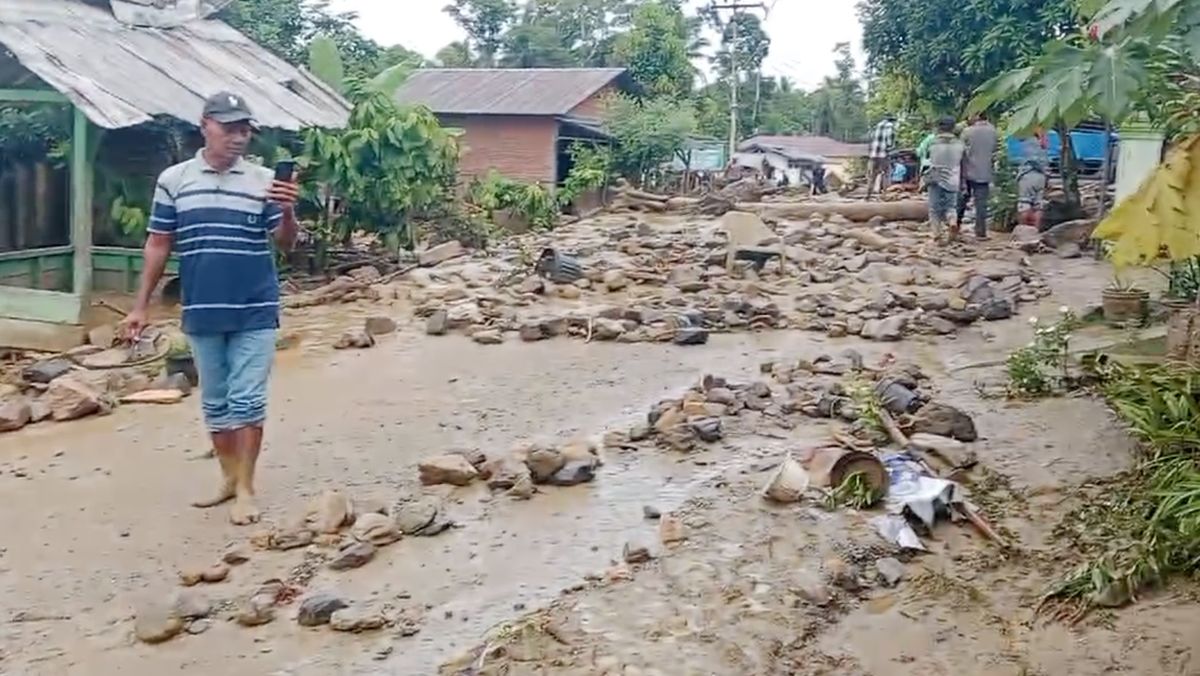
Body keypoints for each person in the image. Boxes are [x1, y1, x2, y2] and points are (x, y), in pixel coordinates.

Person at [121, 92, 300, 525]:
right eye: (229, 128)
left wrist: (288, 209)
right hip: (201, 309)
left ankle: (245, 488)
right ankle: (226, 478)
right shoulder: (175, 180)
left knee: (248, 400)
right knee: (216, 403)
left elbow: (286, 243)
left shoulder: (262, 181)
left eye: (244, 130)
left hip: (255, 307)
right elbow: (159, 243)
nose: (238, 138)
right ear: (205, 125)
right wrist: (139, 307)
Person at [958, 111, 999, 239]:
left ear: (976, 116)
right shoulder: (993, 131)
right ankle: (980, 232)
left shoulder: (967, 131)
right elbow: (995, 151)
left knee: (961, 200)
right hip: (985, 172)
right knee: (981, 204)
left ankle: (955, 225)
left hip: (967, 171)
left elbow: (961, 152)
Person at [925, 116, 966, 244]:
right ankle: (952, 221)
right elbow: (964, 162)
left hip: (935, 176)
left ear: (939, 127)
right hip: (953, 178)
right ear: (953, 128)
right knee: (951, 206)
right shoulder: (960, 144)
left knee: (934, 208)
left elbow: (925, 157)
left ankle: (937, 234)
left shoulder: (932, 142)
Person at [1016, 130, 1050, 229]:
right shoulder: (1042, 145)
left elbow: (1033, 160)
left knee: (1024, 204)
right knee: (1038, 206)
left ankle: (1022, 232)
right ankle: (1035, 231)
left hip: (1028, 175)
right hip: (1041, 178)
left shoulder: (1030, 142)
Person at [866, 113, 897, 200]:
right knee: (886, 174)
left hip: (873, 154)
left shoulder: (877, 126)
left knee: (872, 175)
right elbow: (890, 142)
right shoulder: (890, 126)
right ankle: (884, 195)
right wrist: (893, 148)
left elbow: (870, 138)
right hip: (883, 154)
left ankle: (868, 194)